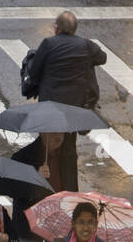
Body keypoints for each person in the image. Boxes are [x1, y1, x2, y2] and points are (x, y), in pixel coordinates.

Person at [26, 11, 107, 192]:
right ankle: (69, 192)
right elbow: (102, 57)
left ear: (56, 28)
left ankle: (45, 189)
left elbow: (34, 73)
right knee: (69, 150)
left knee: (47, 150)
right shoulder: (85, 45)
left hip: (50, 109)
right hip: (73, 110)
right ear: (75, 29)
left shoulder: (48, 44)